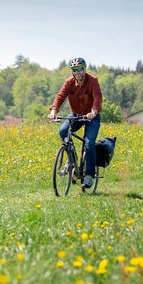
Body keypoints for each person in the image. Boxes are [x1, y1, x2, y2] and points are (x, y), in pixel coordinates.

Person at [47, 57, 103, 188]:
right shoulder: (69, 83)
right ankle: (71, 158)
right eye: (74, 70)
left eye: (79, 69)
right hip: (76, 115)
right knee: (63, 131)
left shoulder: (93, 81)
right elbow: (60, 96)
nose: (77, 72)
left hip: (91, 117)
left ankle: (89, 175)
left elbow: (98, 98)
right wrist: (53, 111)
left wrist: (94, 112)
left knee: (89, 143)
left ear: (84, 69)